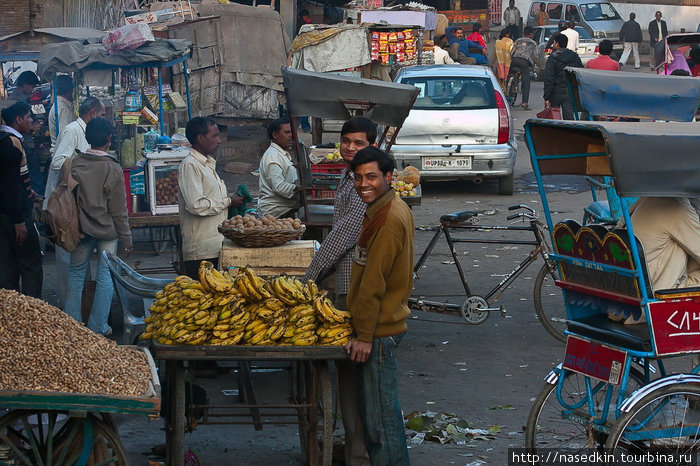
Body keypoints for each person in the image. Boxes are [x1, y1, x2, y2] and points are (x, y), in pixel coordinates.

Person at [304, 117, 377, 466]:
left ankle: (358, 454)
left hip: (353, 284)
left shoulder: (365, 184)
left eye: (358, 143)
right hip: (345, 281)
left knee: (354, 374)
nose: (349, 147)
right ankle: (352, 448)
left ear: (372, 146)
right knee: (348, 372)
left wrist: (310, 274)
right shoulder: (350, 177)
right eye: (346, 141)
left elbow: (343, 236)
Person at [345, 146, 413, 465]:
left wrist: (364, 336)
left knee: (381, 424)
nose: (363, 184)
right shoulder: (383, 208)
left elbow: (374, 282)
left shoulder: (387, 218)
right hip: (380, 328)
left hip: (380, 332)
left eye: (371, 177)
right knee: (378, 419)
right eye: (357, 177)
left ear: (388, 177)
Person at [62, 118, 131, 335]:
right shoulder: (112, 167)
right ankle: (98, 326)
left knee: (76, 274)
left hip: (80, 229)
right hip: (107, 231)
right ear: (109, 139)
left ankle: (72, 325)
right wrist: (127, 238)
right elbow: (119, 210)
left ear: (88, 138)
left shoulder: (75, 163)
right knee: (105, 276)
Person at [43, 96, 104, 308]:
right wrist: (83, 164)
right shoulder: (72, 131)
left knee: (77, 260)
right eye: (101, 114)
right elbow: (59, 162)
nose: (102, 118)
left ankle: (77, 308)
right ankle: (67, 309)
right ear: (93, 113)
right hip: (62, 205)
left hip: (75, 204)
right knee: (68, 260)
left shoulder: (84, 131)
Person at [179, 117, 243, 280]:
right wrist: (228, 202)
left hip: (216, 246)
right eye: (214, 136)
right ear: (200, 138)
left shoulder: (207, 164)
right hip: (201, 252)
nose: (219, 140)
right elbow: (196, 205)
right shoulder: (190, 165)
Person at [0, 102, 42, 298]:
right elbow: (9, 186)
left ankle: (9, 315)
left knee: (7, 267)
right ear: (18, 120)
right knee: (30, 266)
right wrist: (19, 221)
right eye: (28, 117)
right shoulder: (11, 144)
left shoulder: (6, 140)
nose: (30, 121)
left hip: (6, 213)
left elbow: (15, 181)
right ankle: (32, 313)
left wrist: (29, 193)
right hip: (14, 216)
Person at [7, 71, 43, 196]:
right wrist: (33, 127)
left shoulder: (16, 97)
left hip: (25, 142)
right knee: (34, 177)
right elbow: (18, 123)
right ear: (25, 84)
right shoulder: (18, 100)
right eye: (32, 86)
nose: (32, 90)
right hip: (25, 143)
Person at [258, 118, 300, 218]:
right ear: (275, 135)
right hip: (277, 211)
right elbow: (279, 187)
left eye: (292, 132)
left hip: (286, 207)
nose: (291, 136)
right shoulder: (272, 157)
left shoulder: (282, 153)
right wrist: (300, 189)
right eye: (287, 132)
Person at [543, 33, 583, 120]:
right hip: (569, 91)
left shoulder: (552, 58)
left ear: (557, 44)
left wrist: (547, 97)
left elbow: (549, 78)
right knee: (569, 117)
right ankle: (569, 133)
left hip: (555, 92)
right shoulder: (574, 56)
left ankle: (557, 133)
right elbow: (580, 73)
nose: (553, 44)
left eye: (554, 42)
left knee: (554, 117)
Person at [510, 26, 538, 110]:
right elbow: (535, 56)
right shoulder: (533, 43)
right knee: (526, 82)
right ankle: (525, 103)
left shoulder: (518, 41)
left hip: (514, 60)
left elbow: (511, 52)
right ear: (531, 34)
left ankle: (509, 90)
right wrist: (535, 64)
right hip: (524, 62)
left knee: (509, 75)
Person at [48, 75, 77, 153]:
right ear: (71, 90)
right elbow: (66, 136)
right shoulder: (62, 108)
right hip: (64, 153)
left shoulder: (62, 105)